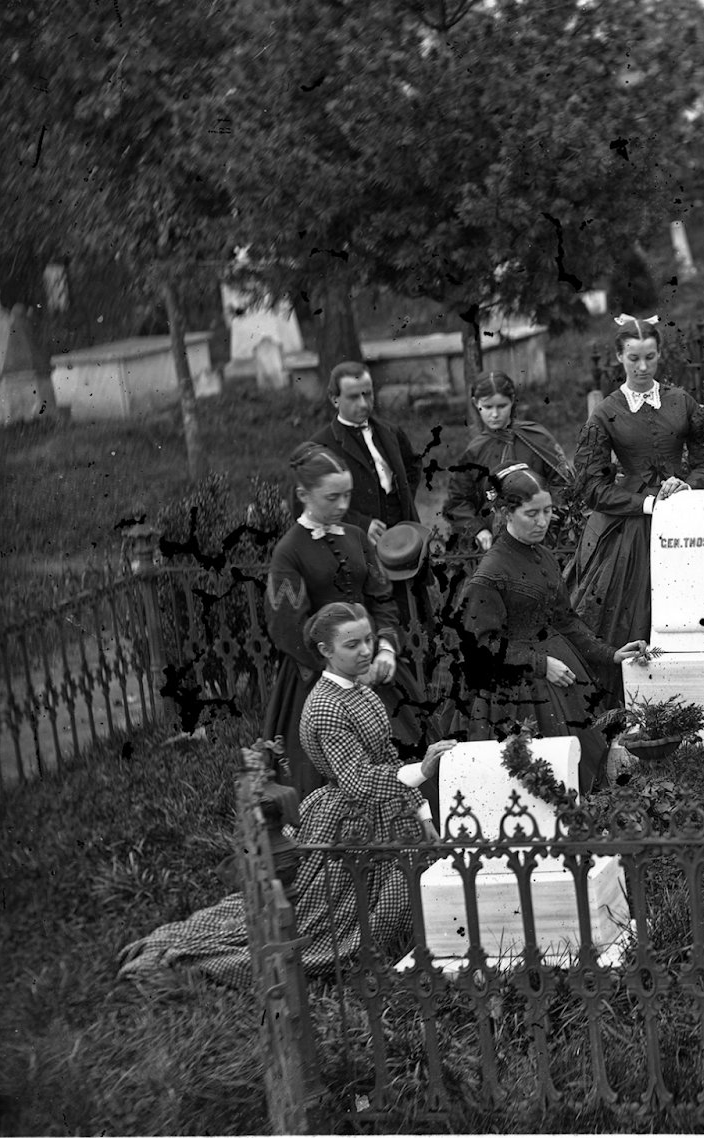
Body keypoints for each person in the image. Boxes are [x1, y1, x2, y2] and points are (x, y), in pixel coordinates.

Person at [118, 602, 456, 987]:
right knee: (325, 926)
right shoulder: (326, 707)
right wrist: (423, 771)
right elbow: (357, 782)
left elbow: (385, 756)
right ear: (326, 651)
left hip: (386, 811)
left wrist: (423, 815)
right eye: (352, 645)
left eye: (368, 640)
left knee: (398, 897)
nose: (365, 651)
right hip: (349, 822)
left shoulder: (362, 690)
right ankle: (191, 962)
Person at [564, 316, 704, 706]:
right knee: (631, 611)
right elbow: (592, 486)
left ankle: (697, 697)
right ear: (619, 357)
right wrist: (647, 503)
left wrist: (689, 486)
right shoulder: (606, 413)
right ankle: (634, 704)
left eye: (650, 357)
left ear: (658, 356)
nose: (642, 367)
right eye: (633, 358)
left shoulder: (680, 401)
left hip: (686, 515)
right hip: (633, 527)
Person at [456, 465, 649, 790]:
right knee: (550, 771)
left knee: (586, 755)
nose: (543, 521)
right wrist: (541, 665)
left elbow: (565, 620)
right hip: (518, 690)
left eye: (547, 511)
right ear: (506, 513)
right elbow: (481, 647)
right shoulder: (489, 575)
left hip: (564, 670)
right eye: (532, 514)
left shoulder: (543, 555)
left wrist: (611, 654)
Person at [263, 443, 430, 808]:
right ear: (303, 495)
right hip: (322, 677)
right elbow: (287, 627)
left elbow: (382, 598)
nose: (342, 505)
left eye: (347, 496)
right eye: (332, 497)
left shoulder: (355, 537)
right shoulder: (288, 552)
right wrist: (343, 666)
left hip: (377, 665)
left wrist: (384, 648)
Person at [309, 360, 433, 627]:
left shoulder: (389, 431)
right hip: (361, 550)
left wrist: (402, 500)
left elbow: (412, 466)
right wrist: (360, 523)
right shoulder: (321, 446)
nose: (364, 404)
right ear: (334, 399)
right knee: (382, 619)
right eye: (354, 397)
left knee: (418, 621)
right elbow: (308, 506)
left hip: (403, 537)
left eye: (368, 394)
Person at [442, 371, 573, 552]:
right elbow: (458, 500)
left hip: (541, 535)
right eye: (487, 407)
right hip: (493, 543)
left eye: (502, 406)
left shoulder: (536, 439)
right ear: (475, 403)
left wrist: (549, 517)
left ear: (512, 401)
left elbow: (562, 483)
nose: (495, 414)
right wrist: (478, 530)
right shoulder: (474, 452)